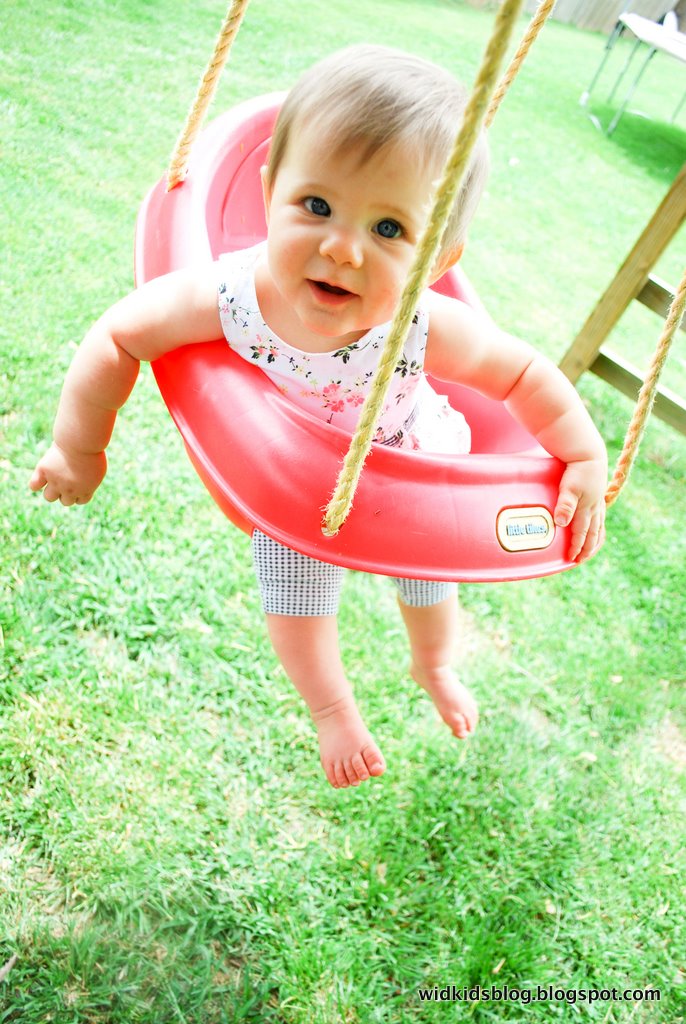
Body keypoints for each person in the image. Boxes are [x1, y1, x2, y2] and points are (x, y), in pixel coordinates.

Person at [29, 45, 608, 790]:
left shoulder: (423, 325)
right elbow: (120, 334)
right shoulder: (233, 296)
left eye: (389, 230)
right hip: (304, 484)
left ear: (438, 261)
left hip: (408, 457)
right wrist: (79, 450)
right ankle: (333, 709)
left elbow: (523, 373)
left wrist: (584, 454)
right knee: (295, 599)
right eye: (317, 207)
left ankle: (433, 665)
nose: (342, 249)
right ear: (270, 192)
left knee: (431, 585)